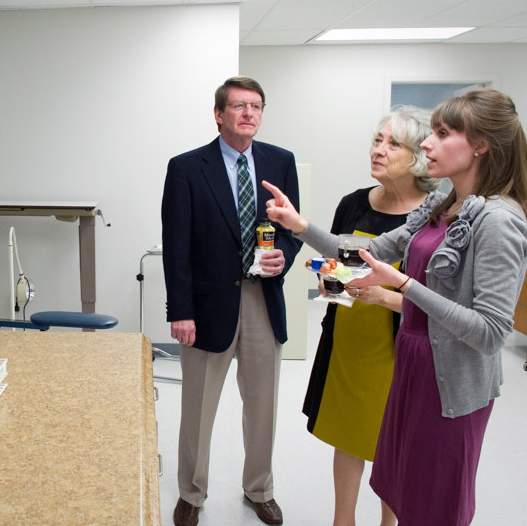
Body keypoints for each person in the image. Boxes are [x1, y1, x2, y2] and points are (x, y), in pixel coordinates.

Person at [264, 88, 527, 526]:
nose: (428, 143)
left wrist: (404, 286)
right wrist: (299, 224)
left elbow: (491, 331)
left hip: (451, 384)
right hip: (410, 364)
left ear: (481, 145)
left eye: (443, 134)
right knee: (401, 488)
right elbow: (363, 254)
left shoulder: (500, 220)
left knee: (433, 502)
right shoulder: (441, 205)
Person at [161, 76, 302, 526]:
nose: (249, 114)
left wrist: (286, 254)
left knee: (262, 404)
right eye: (239, 106)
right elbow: (176, 244)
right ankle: (191, 493)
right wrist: (179, 310)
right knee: (198, 407)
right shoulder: (186, 167)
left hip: (264, 298)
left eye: (256, 106)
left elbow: (291, 229)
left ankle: (260, 488)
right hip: (205, 307)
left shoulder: (281, 162)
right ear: (219, 114)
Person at [303, 106, 441, 526]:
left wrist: (384, 296)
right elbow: (339, 266)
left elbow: (438, 302)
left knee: (394, 444)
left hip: (400, 346)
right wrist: (332, 279)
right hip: (348, 340)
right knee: (346, 438)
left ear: (418, 155)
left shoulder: (436, 215)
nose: (378, 150)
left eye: (392, 143)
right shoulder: (353, 204)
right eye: (377, 140)